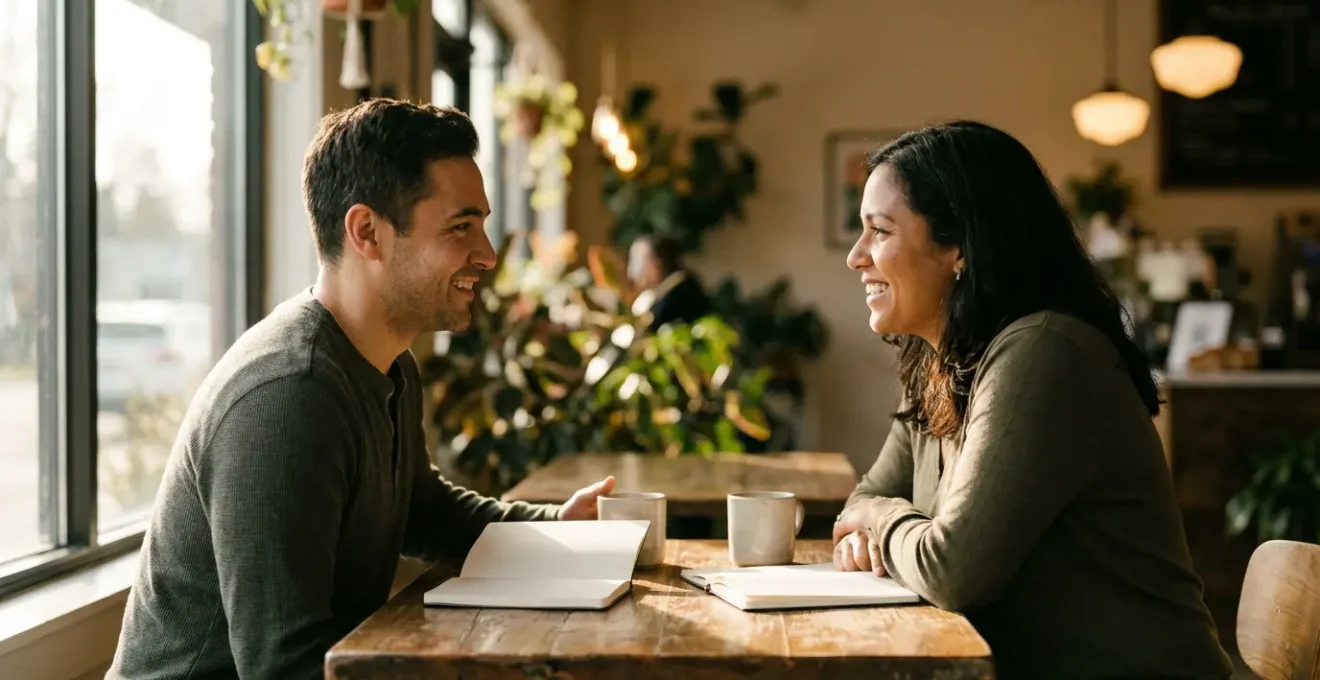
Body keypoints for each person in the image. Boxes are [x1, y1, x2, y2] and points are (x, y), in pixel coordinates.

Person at [108, 99, 616, 679]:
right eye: (460, 226)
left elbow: (419, 508)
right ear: (367, 232)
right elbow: (284, 667)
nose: (488, 254)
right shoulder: (289, 393)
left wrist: (555, 528)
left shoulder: (390, 365)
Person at [831, 121, 1233, 679]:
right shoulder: (937, 362)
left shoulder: (1045, 353)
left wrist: (880, 520)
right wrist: (876, 517)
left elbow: (952, 570)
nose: (856, 256)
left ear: (960, 248)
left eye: (879, 230)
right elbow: (864, 498)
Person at [627, 234, 712, 331]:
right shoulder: (660, 294)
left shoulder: (681, 293)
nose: (634, 272)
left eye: (640, 262)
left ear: (656, 262)